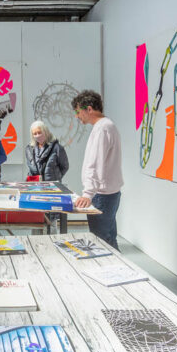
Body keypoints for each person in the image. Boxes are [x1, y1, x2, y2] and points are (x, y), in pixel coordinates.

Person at [71, 90, 123, 249]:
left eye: (78, 111)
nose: (77, 116)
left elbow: (96, 163)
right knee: (109, 239)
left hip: (102, 196)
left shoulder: (102, 128)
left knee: (102, 243)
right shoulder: (106, 125)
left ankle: (113, 271)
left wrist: (88, 193)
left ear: (89, 109)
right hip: (108, 193)